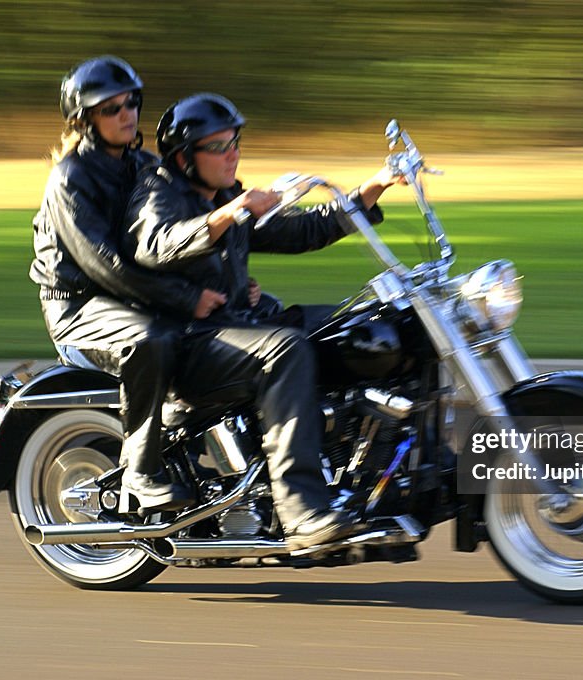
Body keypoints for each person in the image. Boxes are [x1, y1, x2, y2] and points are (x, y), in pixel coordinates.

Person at [123, 93, 403, 550]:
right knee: (286, 349)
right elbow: (159, 243)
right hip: (190, 344)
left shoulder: (226, 193)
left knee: (359, 328)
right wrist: (227, 215)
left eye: (235, 141)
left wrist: (374, 187)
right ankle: (302, 511)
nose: (232, 152)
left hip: (236, 326)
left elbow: (300, 230)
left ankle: (373, 474)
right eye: (218, 146)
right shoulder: (158, 191)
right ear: (183, 156)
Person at [30, 56, 211, 514]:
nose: (127, 114)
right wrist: (187, 299)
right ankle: (141, 470)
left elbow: (180, 231)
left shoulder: (145, 163)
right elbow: (105, 264)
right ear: (85, 119)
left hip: (130, 295)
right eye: (111, 108)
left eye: (132, 102)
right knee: (150, 341)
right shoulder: (69, 178)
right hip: (80, 304)